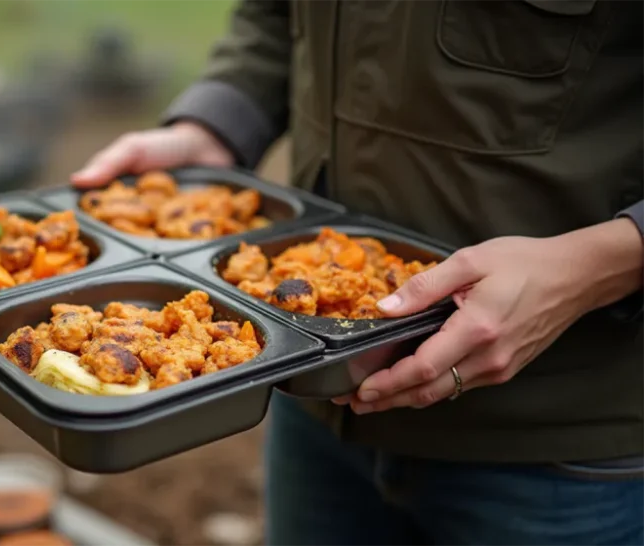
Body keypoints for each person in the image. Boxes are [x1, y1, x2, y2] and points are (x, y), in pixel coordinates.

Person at [72, 2, 644, 545]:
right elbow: (276, 14)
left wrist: (600, 264)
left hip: (558, 443)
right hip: (314, 387)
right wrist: (218, 122)